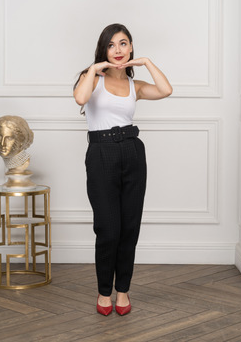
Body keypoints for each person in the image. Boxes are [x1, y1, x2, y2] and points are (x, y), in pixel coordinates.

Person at [73, 23, 172, 316]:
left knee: (129, 227)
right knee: (108, 228)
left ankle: (123, 291)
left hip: (132, 151)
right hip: (101, 153)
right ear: (104, 50)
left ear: (130, 48)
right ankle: (105, 292)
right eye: (112, 45)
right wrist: (94, 69)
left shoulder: (134, 86)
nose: (118, 50)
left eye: (124, 44)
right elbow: (80, 99)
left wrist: (147, 63)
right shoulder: (90, 79)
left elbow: (166, 90)